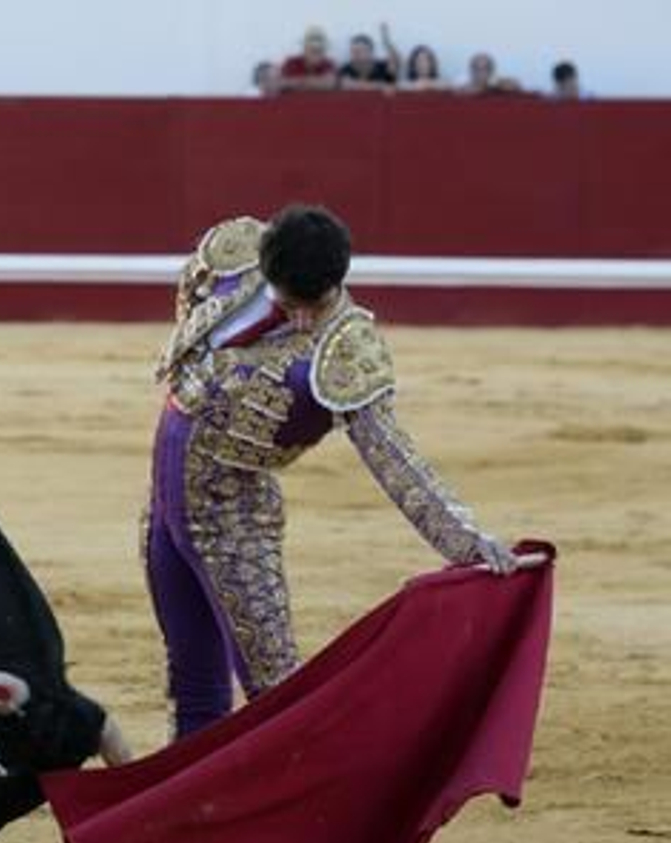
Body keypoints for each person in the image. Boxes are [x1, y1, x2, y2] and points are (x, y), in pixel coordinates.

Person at [144, 206, 518, 739]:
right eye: (280, 296)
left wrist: (466, 542)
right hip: (163, 505)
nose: (293, 310)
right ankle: (195, 812)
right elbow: (191, 299)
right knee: (192, 679)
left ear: (332, 287)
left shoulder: (345, 348)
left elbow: (394, 457)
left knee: (275, 690)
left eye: (305, 302)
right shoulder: (234, 253)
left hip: (234, 519)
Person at [279, 27, 338, 91]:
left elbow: (330, 84)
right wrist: (315, 83)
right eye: (313, 49)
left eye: (320, 50)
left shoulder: (328, 64)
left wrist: (298, 82)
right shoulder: (291, 63)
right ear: (305, 48)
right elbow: (279, 83)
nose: (316, 53)